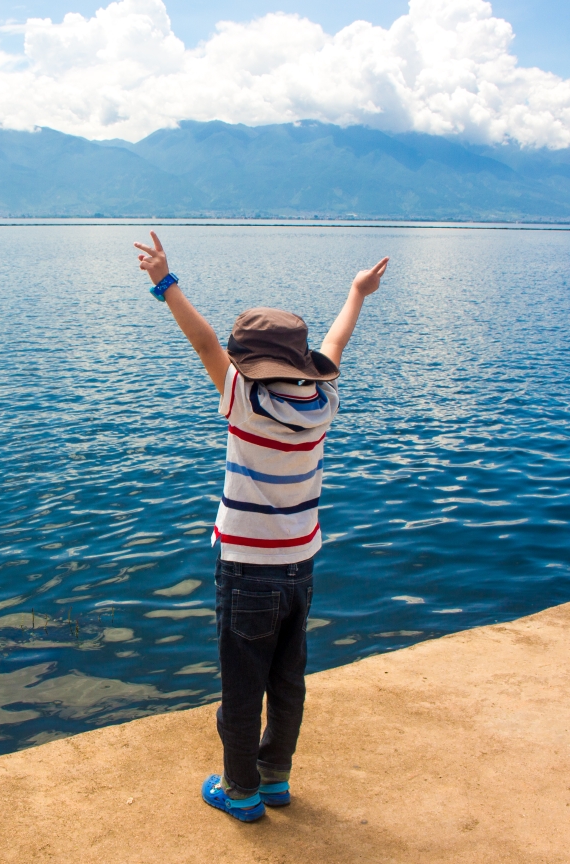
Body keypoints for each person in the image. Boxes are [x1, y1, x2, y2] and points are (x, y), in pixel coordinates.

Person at [133, 231, 388, 822]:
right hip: (300, 567)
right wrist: (357, 292)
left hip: (246, 570)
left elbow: (200, 339)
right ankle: (275, 778)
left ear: (248, 363)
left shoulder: (242, 398)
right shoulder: (323, 403)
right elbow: (335, 341)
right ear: (299, 362)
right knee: (287, 678)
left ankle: (240, 791)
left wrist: (165, 282)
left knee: (243, 683)